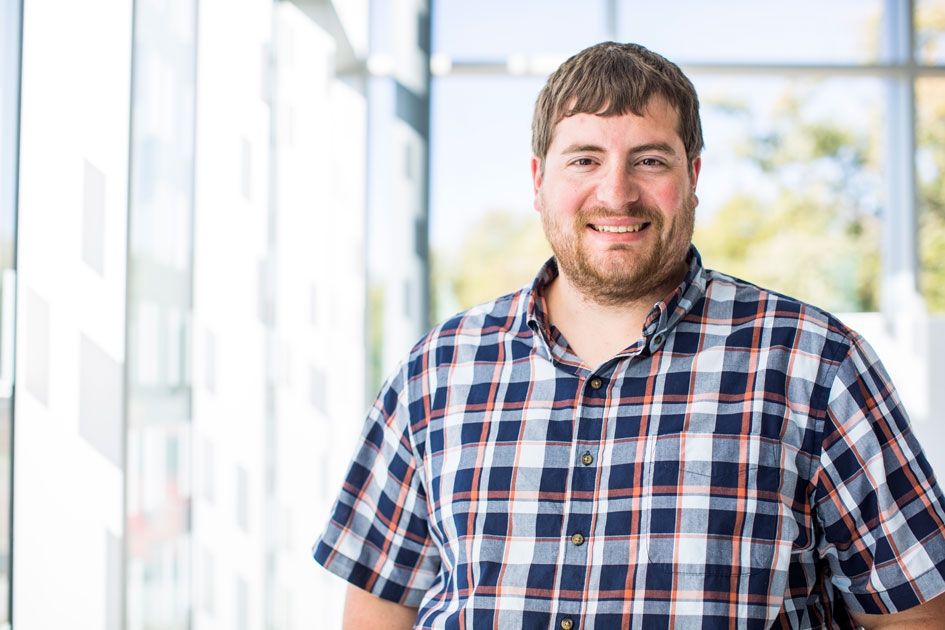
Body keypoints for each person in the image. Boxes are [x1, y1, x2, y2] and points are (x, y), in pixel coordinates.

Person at [313, 42, 945, 629]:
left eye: (649, 160)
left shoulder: (818, 365)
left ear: (693, 176)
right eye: (585, 159)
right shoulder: (438, 370)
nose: (616, 193)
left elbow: (919, 617)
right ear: (539, 181)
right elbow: (377, 611)